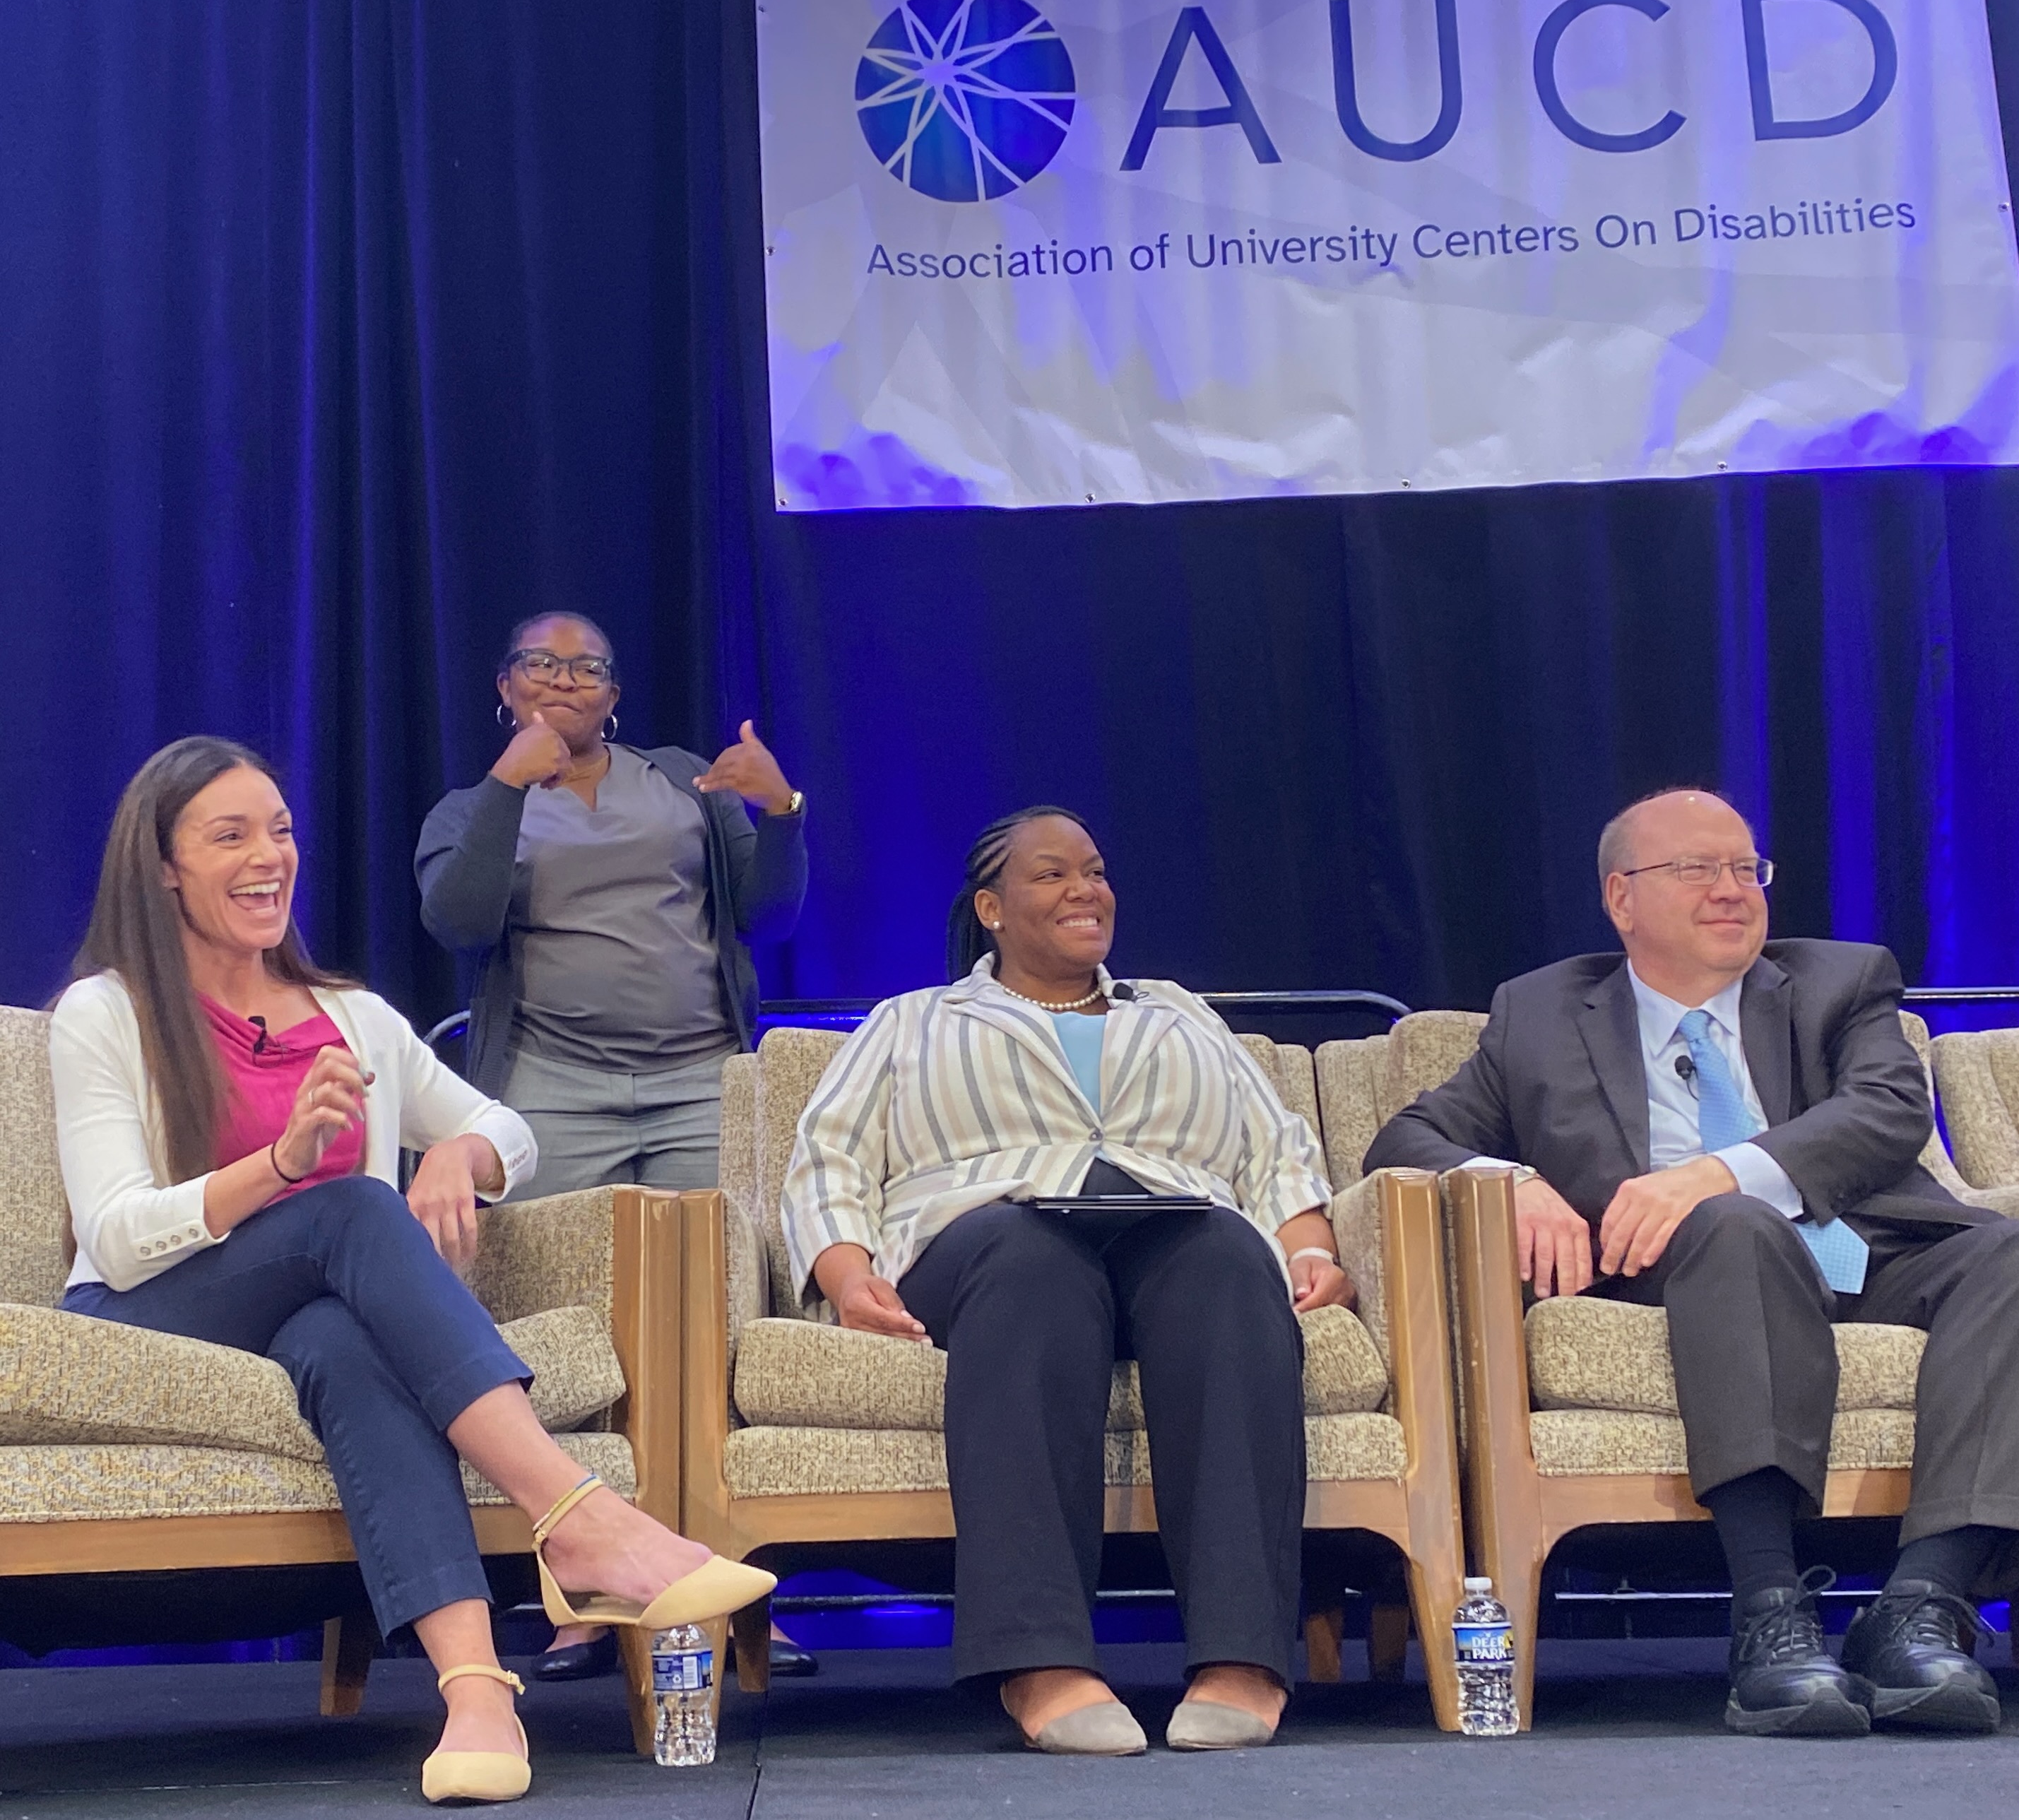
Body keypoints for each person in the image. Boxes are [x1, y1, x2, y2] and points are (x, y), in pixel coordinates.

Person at [52, 737, 775, 1804]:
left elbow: (502, 1127)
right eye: (230, 835)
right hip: (146, 1313)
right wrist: (281, 1166)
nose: (270, 856)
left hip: (301, 1318)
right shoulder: (105, 1014)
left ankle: (476, 1694)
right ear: (162, 866)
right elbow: (113, 1237)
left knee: (345, 1340)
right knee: (347, 1204)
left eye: (282, 830)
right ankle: (576, 1518)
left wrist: (458, 1152)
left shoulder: (351, 1016)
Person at [1365, 788, 2019, 1739]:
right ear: (1620, 898)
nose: (1730, 890)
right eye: (1694, 870)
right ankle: (1769, 1617)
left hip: (1863, 1245)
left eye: (1744, 868)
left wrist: (1717, 1171)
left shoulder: (1841, 979)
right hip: (1692, 1271)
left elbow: (1884, 1110)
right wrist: (1510, 1181)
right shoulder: (1539, 1013)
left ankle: (1922, 1610)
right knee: (1733, 1227)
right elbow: (1406, 1138)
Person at [781, 807, 1354, 1756]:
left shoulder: (1175, 1011)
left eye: (1093, 871)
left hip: (1171, 1223)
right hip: (982, 1237)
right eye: (1053, 876)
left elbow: (1273, 1153)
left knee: (1225, 1260)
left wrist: (1305, 1248)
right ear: (991, 908)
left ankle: (1242, 1657)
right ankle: (1039, 1659)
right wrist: (847, 1276)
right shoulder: (912, 1021)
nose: (1086, 890)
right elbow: (826, 1161)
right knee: (1032, 1259)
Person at [415, 610, 810, 1679]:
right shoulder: (471, 806)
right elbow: (455, 919)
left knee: (717, 1322)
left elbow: (766, 916)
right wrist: (508, 786)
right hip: (554, 1087)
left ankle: (737, 1583)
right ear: (506, 685)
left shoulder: (681, 783)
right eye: (540, 663)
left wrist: (779, 812)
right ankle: (586, 1587)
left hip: (696, 1081)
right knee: (566, 1327)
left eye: (587, 665)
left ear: (614, 694)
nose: (564, 678)